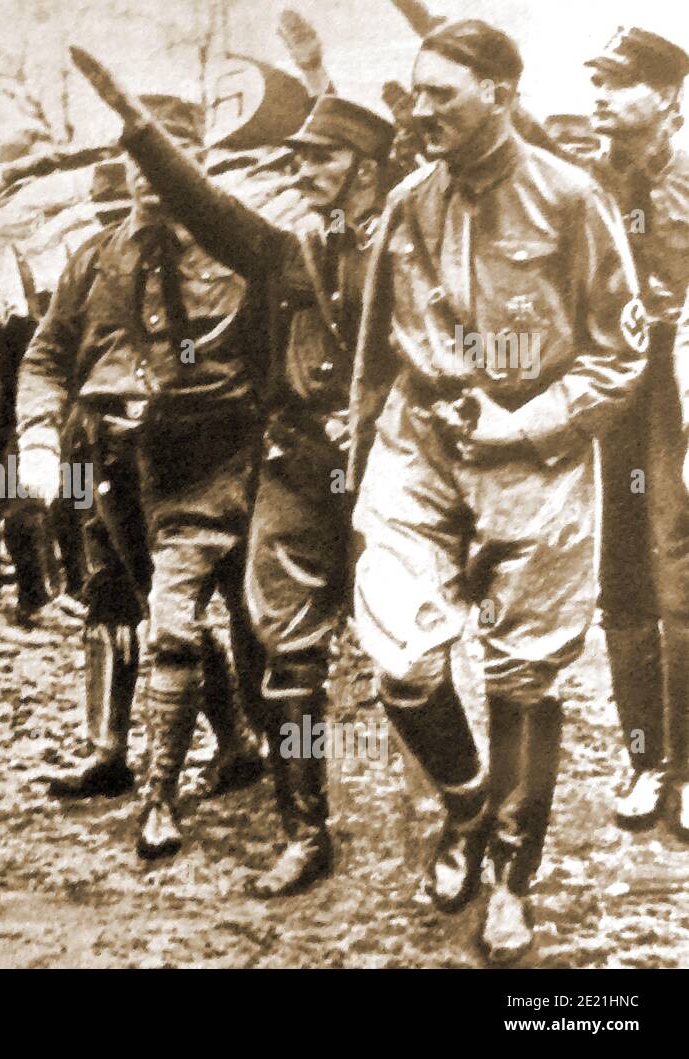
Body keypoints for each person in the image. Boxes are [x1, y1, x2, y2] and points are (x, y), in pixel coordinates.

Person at [346, 20, 646, 963]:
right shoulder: (406, 202)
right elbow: (370, 353)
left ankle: (513, 874)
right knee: (401, 657)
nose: (422, 109)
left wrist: (522, 424)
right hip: (421, 443)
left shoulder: (572, 198)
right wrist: (357, 463)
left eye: (443, 94)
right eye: (417, 90)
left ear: (500, 93)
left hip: (537, 454)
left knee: (524, 675)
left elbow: (619, 351)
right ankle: (466, 800)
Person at [89, 75, 396, 894]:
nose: (300, 170)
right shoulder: (286, 247)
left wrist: (374, 417)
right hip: (297, 462)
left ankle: (470, 815)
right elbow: (209, 208)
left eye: (319, 157)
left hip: (393, 462)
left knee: (410, 650)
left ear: (365, 167)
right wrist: (140, 129)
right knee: (286, 646)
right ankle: (307, 828)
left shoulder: (412, 241)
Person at [17, 90, 267, 859]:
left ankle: (163, 794)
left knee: (197, 615)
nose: (149, 183)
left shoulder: (240, 250)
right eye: (136, 166)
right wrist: (36, 438)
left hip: (210, 458)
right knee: (148, 608)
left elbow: (274, 358)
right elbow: (46, 355)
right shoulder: (93, 258)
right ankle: (233, 746)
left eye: (166, 166)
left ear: (200, 164)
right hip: (116, 463)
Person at [571, 28, 689, 837]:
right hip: (616, 396)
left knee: (680, 577)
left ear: (669, 98)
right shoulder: (587, 181)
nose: (602, 96)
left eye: (620, 83)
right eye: (598, 82)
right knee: (621, 583)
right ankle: (646, 755)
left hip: (682, 391)